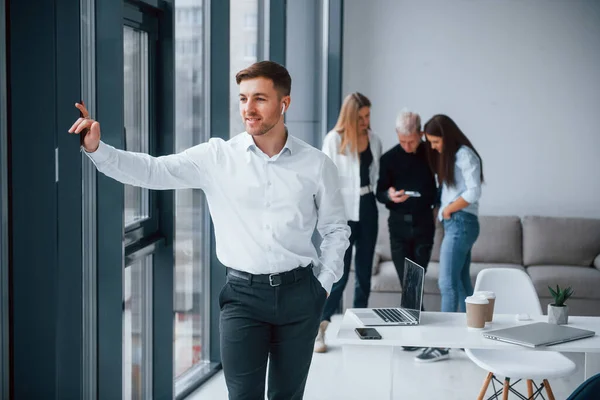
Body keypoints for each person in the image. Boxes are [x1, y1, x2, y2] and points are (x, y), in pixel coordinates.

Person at [68, 61, 350, 400]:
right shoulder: (218, 157)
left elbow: (336, 228)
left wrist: (323, 284)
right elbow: (153, 171)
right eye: (243, 98)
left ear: (284, 103)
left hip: (300, 294)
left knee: (287, 396)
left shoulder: (317, 164)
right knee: (242, 395)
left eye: (259, 98)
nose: (248, 108)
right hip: (243, 298)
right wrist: (98, 149)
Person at [314, 92, 382, 353]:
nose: (366, 121)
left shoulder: (374, 140)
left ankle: (360, 329)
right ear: (350, 116)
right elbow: (323, 180)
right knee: (336, 274)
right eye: (361, 117)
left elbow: (374, 176)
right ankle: (319, 328)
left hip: (368, 210)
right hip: (342, 214)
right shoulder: (334, 140)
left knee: (364, 275)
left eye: (368, 116)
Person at [415, 114, 484, 363]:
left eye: (435, 141)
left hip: (461, 223)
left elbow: (474, 191)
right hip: (457, 223)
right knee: (463, 284)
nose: (433, 146)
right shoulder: (452, 157)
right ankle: (471, 341)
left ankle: (443, 345)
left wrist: (448, 209)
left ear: (446, 136)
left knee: (447, 284)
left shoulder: (465, 154)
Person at [376, 109, 437, 353]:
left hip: (424, 225)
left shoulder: (431, 154)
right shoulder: (388, 159)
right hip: (398, 226)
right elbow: (380, 192)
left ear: (421, 134)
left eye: (411, 141)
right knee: (408, 281)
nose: (407, 145)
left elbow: (439, 187)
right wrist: (389, 195)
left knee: (417, 279)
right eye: (402, 141)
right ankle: (417, 332)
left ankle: (413, 334)